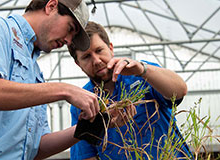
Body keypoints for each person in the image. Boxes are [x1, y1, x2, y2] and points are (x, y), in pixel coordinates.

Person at [0, 0, 101, 159]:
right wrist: (64, 90)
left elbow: (36, 148)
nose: (68, 41)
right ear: (51, 6)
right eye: (70, 28)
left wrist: (85, 128)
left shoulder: (36, 74)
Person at [68, 21, 193, 160]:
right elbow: (85, 155)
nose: (96, 61)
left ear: (111, 48)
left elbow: (180, 91)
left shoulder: (143, 75)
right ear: (78, 64)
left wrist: (142, 70)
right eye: (86, 56)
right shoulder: (82, 102)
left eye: (99, 50)